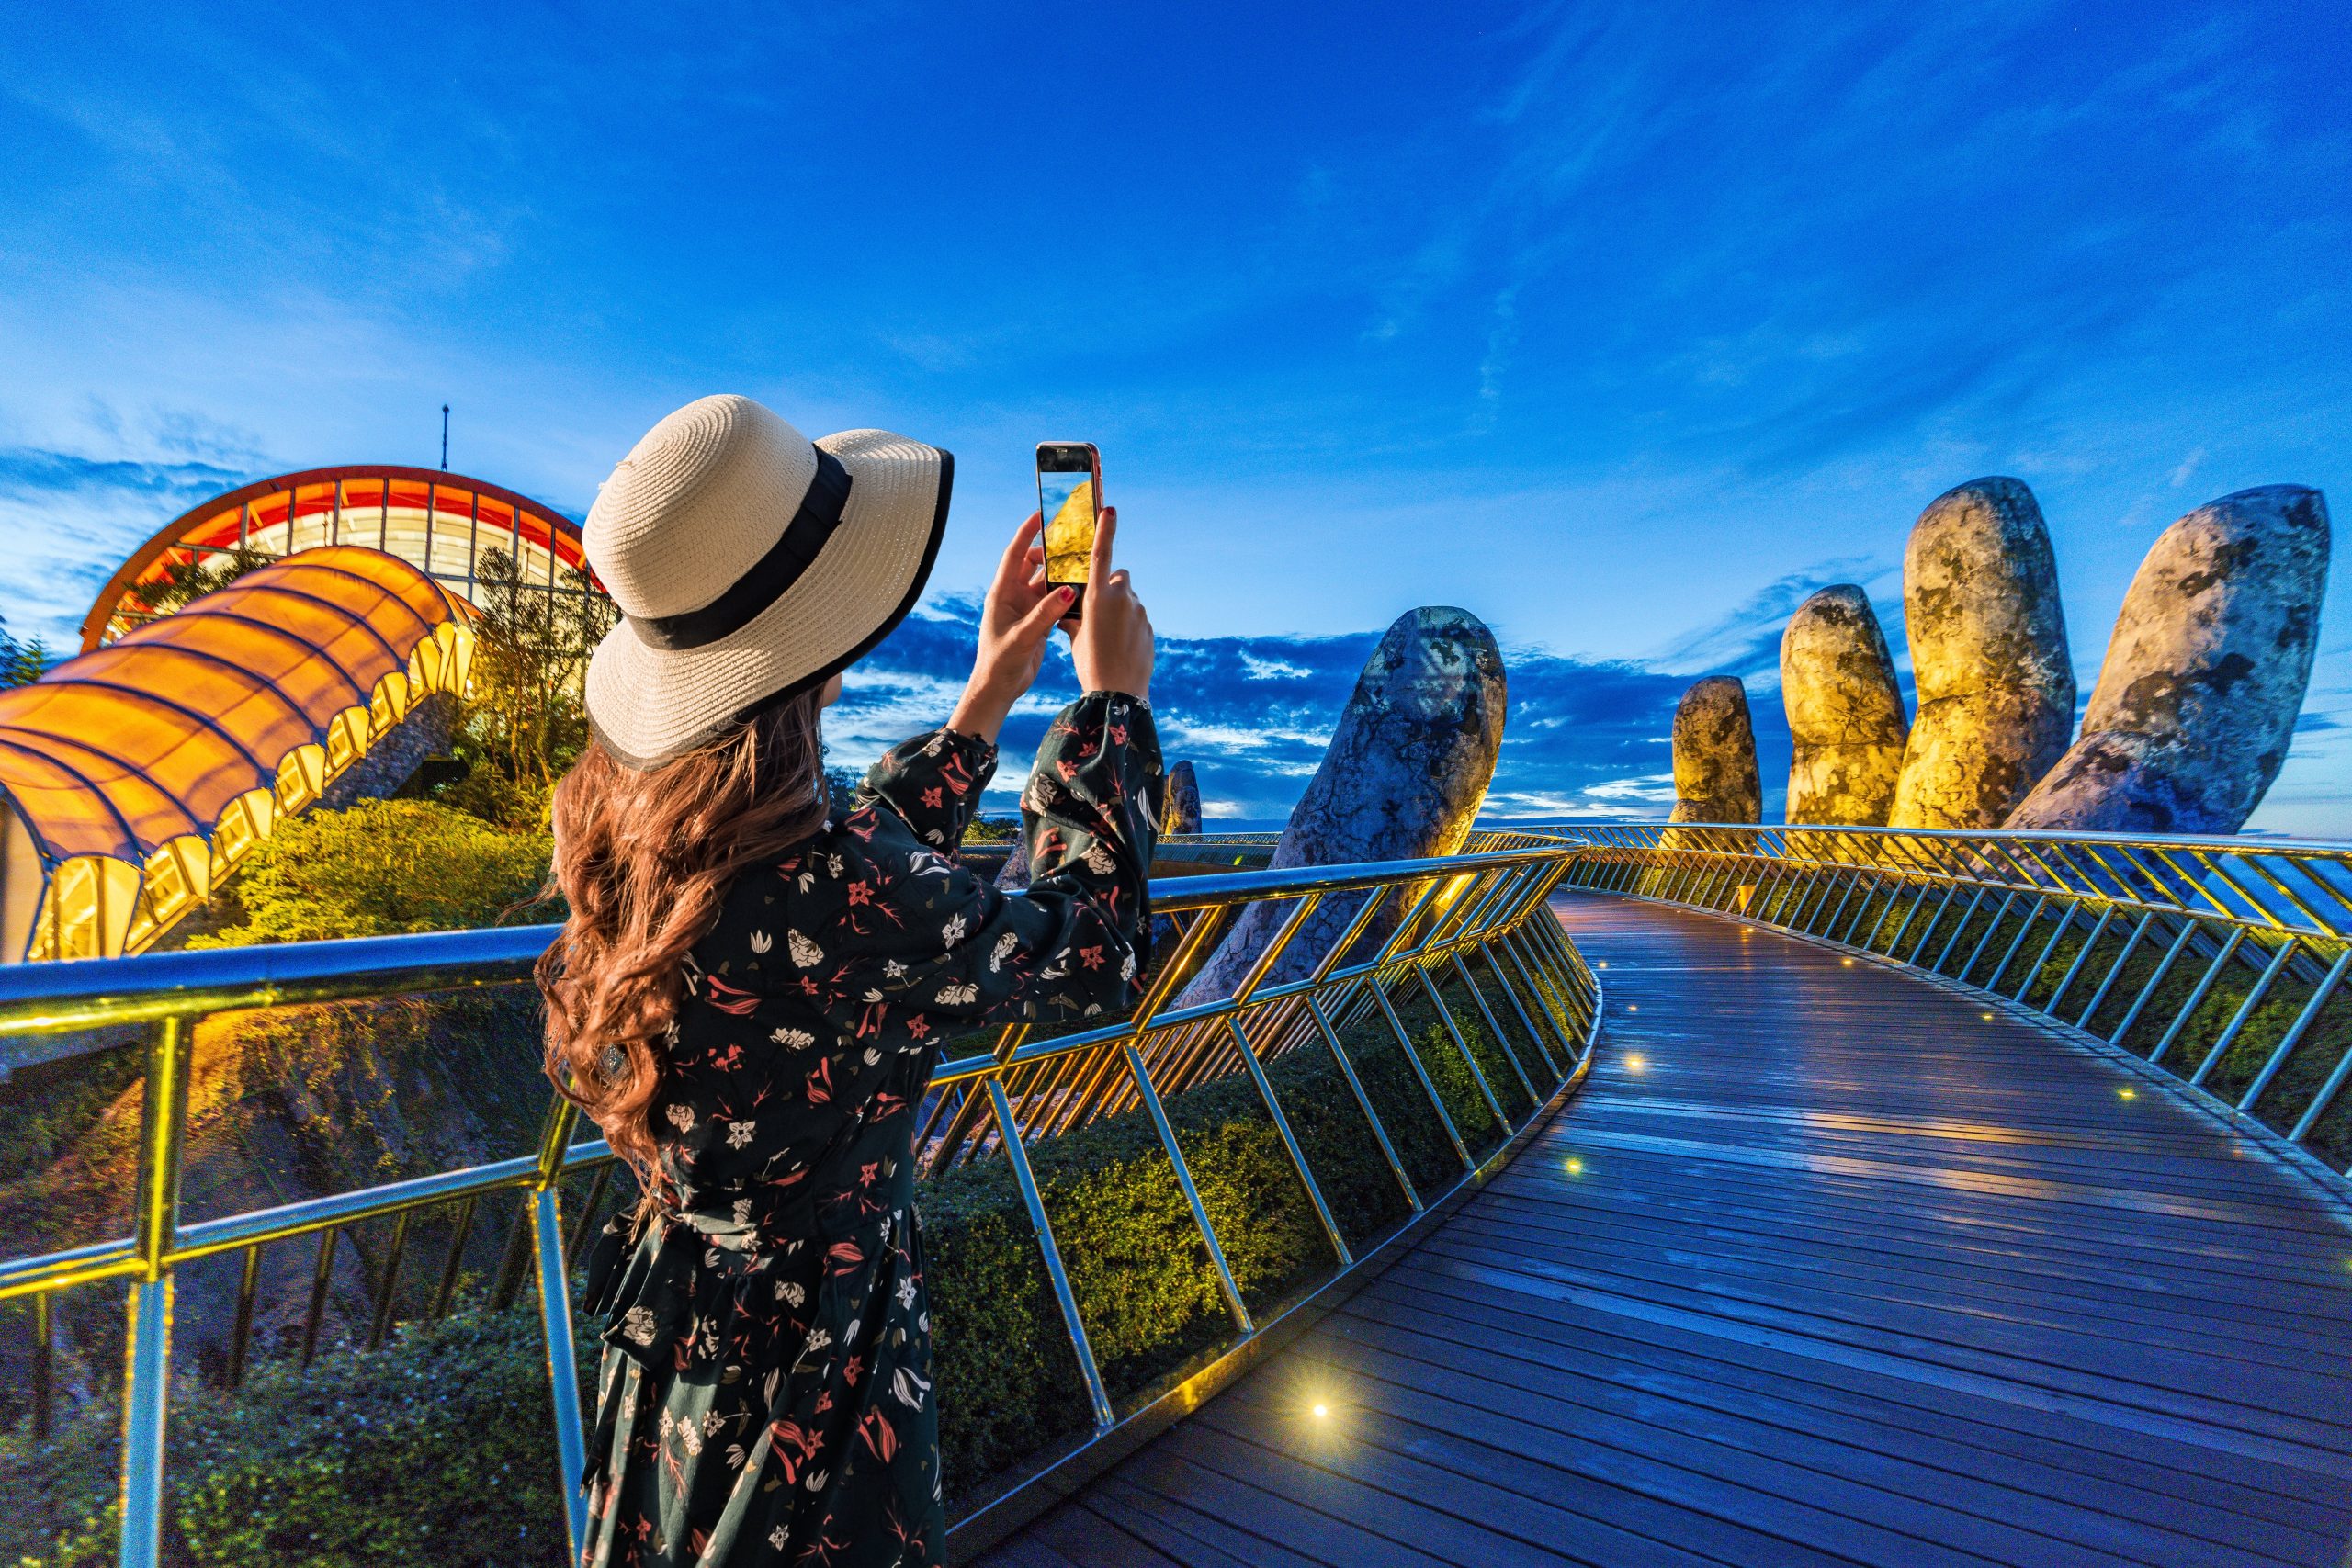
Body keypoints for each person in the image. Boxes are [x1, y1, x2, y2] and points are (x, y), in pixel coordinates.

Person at [537, 394, 1159, 1567]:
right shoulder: (828, 880)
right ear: (820, 638)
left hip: (681, 1324)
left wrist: (985, 695)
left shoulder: (637, 824)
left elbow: (849, 896)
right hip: (804, 1371)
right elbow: (1098, 954)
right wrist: (1107, 709)